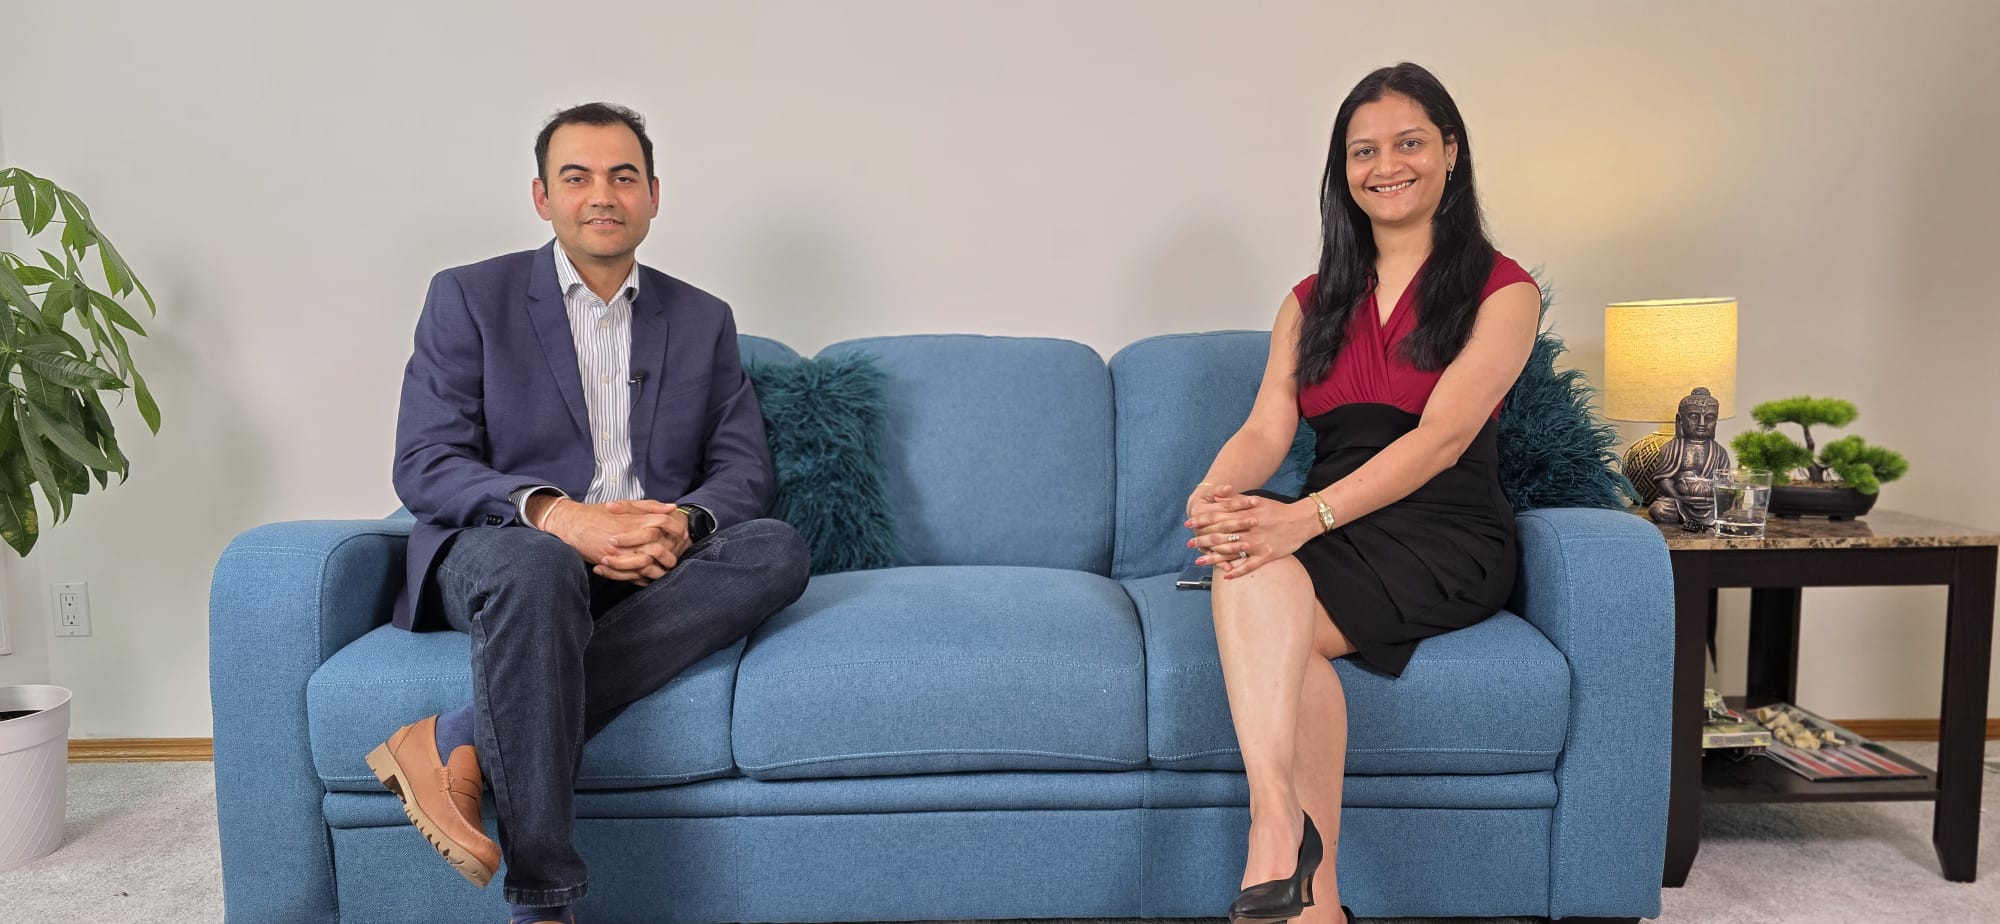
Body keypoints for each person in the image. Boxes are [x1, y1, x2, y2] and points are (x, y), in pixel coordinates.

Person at [367, 102, 811, 924]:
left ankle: (460, 734)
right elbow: (425, 461)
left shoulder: (702, 317)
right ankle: (544, 902)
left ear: (653, 196)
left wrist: (682, 523)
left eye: (623, 177)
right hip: (506, 550)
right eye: (577, 177)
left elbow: (745, 468)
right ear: (542, 196)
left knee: (777, 548)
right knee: (539, 565)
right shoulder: (469, 296)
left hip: (650, 564)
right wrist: (560, 517)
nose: (602, 195)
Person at [1182, 63, 1540, 924]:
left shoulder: (1504, 290)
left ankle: (1280, 843)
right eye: (1364, 150)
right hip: (1335, 524)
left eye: (1409, 143)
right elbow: (1267, 428)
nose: (1387, 165)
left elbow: (1442, 439)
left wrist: (1301, 520)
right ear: (1343, 170)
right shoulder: (1310, 301)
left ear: (1450, 151)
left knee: (1262, 576)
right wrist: (1216, 490)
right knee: (1252, 571)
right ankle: (1304, 877)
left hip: (1446, 529)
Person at [1647, 387, 1730, 526]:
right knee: (1659, 509)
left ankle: (1706, 520)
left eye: (1709, 418)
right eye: (1694, 416)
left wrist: (1716, 496)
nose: (1702, 423)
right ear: (1679, 419)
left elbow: (1725, 482)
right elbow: (1663, 479)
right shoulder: (1672, 448)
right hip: (1679, 502)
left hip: (1709, 504)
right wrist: (1679, 497)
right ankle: (1689, 519)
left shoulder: (1720, 452)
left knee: (1727, 508)